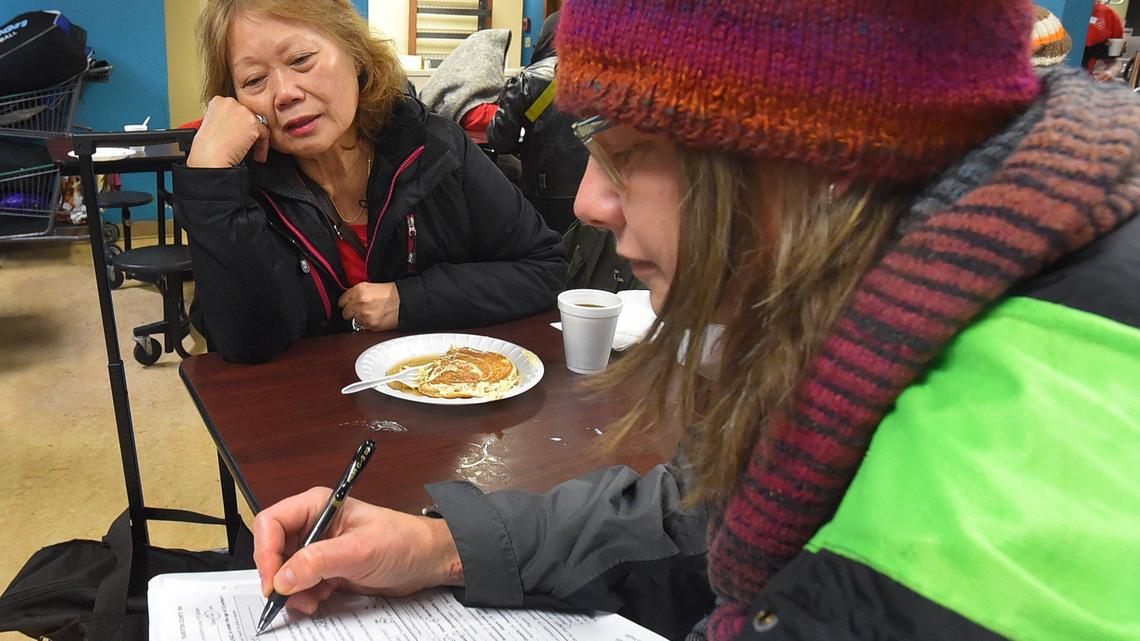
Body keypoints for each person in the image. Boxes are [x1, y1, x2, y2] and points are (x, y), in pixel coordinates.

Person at [252, 2, 1140, 640]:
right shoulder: (918, 280)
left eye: (628, 154)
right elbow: (710, 514)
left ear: (818, 156)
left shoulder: (1009, 487)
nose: (592, 201)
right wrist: (440, 544)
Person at [173, 0, 566, 364]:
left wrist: (411, 300)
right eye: (255, 81)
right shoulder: (241, 188)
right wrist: (210, 177)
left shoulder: (435, 148)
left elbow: (546, 269)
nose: (285, 94)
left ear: (356, 56)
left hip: (443, 401)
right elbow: (247, 342)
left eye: (301, 60)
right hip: (307, 417)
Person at [487, 11, 589, 233]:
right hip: (591, 188)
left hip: (543, 190)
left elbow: (501, 139)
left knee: (548, 251)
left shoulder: (528, 79)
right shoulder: (601, 76)